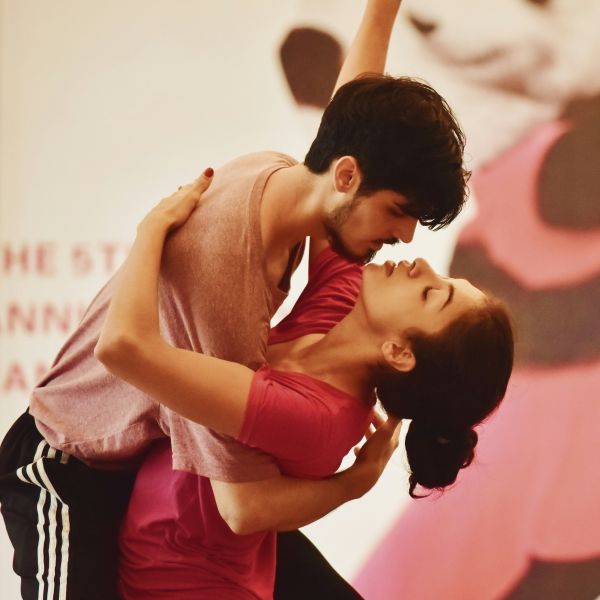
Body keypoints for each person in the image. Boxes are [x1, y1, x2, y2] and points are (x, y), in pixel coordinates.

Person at [0, 1, 470, 598]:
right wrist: (356, 481)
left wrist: (381, 11)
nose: (405, 238)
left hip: (145, 465)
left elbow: (355, 118)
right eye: (398, 212)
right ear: (348, 177)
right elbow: (242, 506)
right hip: (69, 468)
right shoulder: (224, 284)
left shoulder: (293, 182)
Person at [93, 172, 514, 598]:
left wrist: (152, 230)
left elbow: (123, 348)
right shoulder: (338, 309)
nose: (420, 266)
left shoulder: (318, 416)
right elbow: (331, 190)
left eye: (431, 294)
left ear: (399, 352)